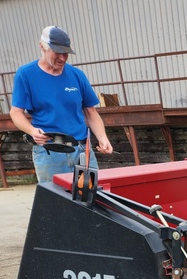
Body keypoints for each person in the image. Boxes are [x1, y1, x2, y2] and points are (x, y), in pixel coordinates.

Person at [10, 26, 113, 183]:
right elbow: (16, 112)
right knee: (55, 203)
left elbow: (91, 113)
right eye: (57, 52)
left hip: (81, 151)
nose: (63, 58)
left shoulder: (77, 75)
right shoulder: (26, 75)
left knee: (90, 200)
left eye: (66, 53)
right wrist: (32, 130)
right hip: (50, 152)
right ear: (42, 46)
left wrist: (103, 138)